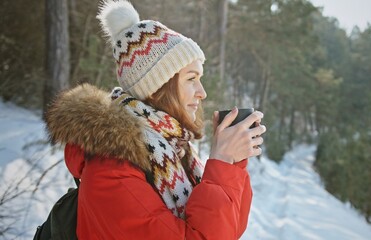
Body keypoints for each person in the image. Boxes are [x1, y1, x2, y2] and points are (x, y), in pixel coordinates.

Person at [44, 0, 266, 239]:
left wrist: (232, 163)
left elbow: (229, 229)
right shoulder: (110, 169)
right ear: (156, 87)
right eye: (191, 79)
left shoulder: (174, 149)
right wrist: (221, 163)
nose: (202, 92)